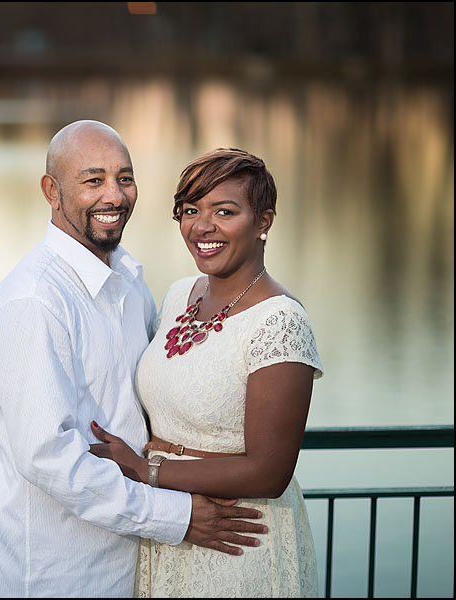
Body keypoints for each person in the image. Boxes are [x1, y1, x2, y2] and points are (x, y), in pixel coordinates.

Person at [0, 123, 267, 598]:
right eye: (93, 180)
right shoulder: (33, 301)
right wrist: (177, 515)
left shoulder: (129, 281)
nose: (114, 194)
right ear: (52, 191)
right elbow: (48, 457)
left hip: (136, 565)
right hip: (57, 575)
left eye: (124, 178)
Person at [89, 148, 322, 597]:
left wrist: (146, 470)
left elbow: (269, 473)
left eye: (225, 211)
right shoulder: (179, 295)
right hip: (169, 528)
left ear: (263, 222)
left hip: (239, 538)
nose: (202, 227)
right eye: (191, 210)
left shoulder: (280, 322)